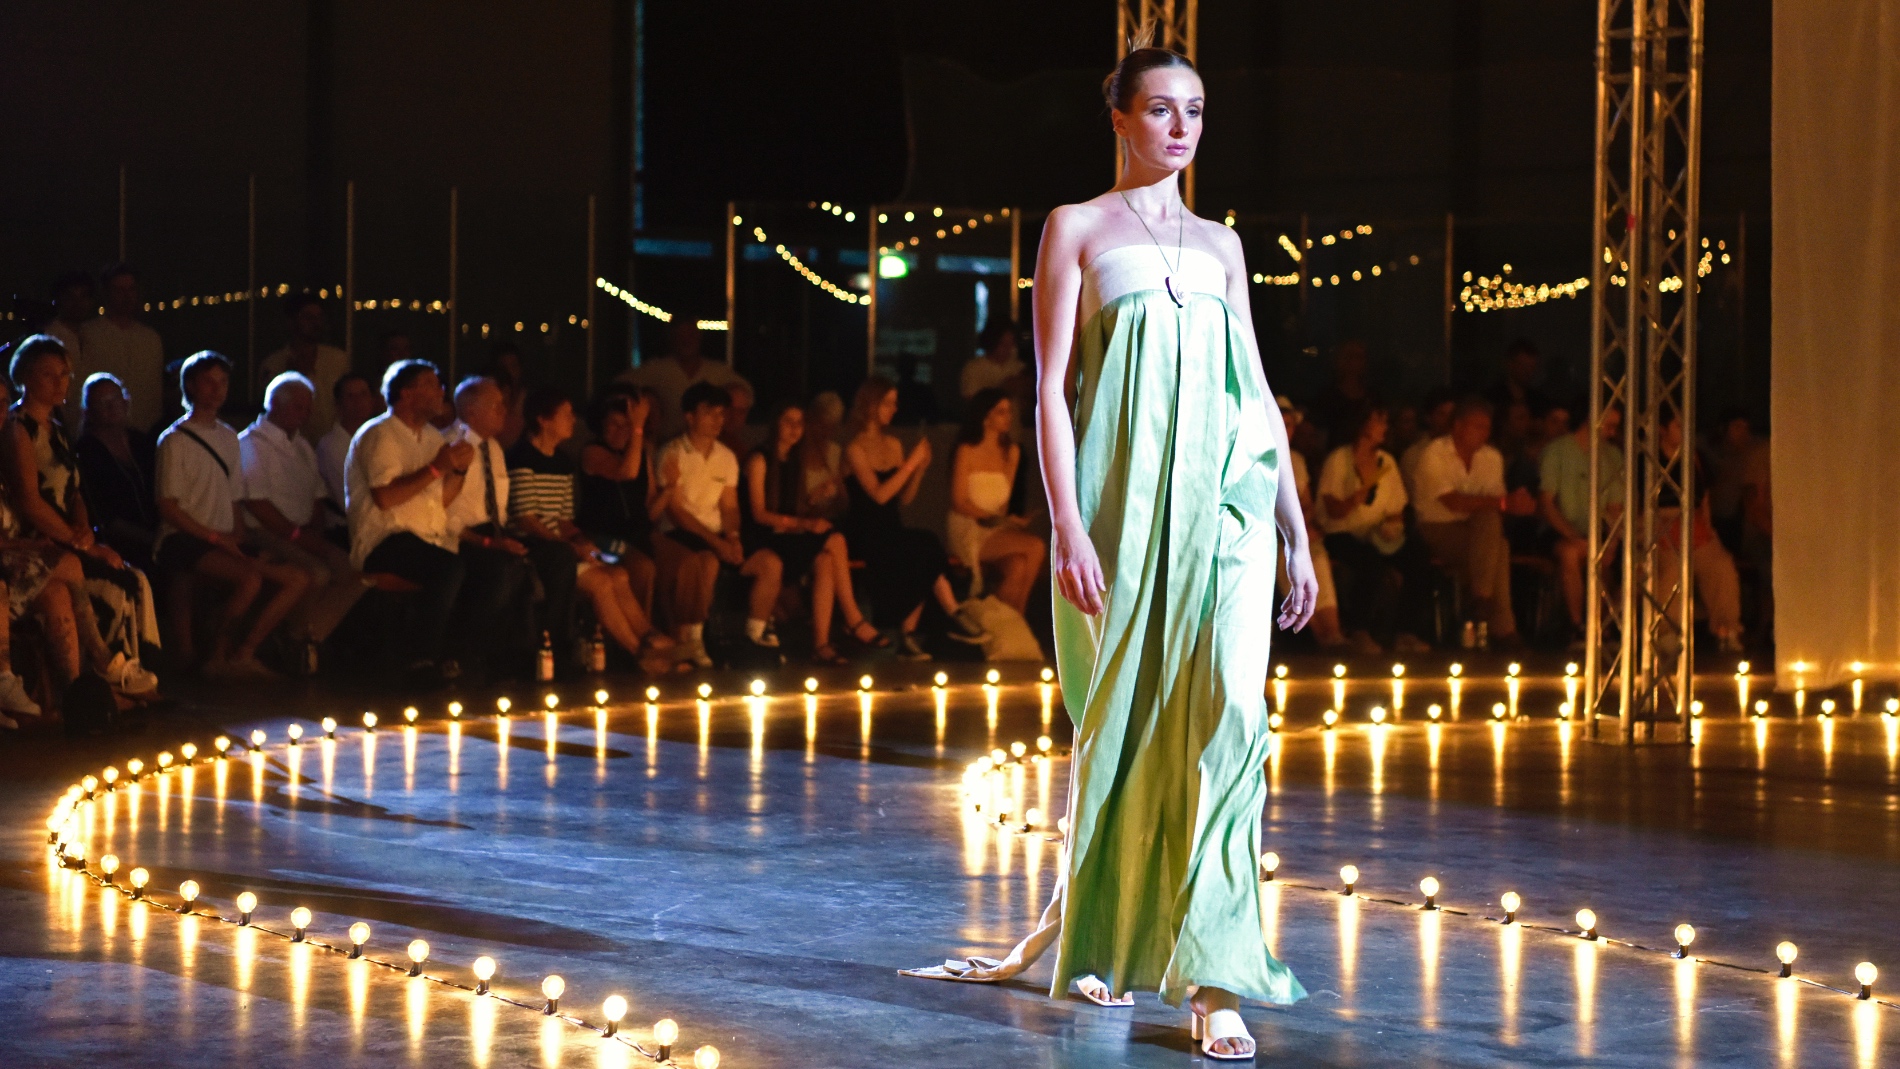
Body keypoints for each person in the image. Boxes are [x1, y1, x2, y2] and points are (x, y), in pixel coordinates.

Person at [902, 38, 1314, 1059]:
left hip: (1227, 509)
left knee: (1229, 718)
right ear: (1121, 117)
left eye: (1197, 111)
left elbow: (1255, 395)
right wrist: (1068, 525)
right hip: (1119, 510)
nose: (1181, 127)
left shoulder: (1222, 245)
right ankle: (1109, 934)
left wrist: (1295, 533)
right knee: (1122, 725)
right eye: (1162, 109)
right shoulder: (1075, 228)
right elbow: (1047, 389)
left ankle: (1216, 979)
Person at [3, 335, 160, 697]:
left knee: (129, 577)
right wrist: (80, 545)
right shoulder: (18, 430)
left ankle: (125, 674)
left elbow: (74, 490)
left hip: (67, 538)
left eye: (65, 375)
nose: (60, 383)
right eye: (49, 374)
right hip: (40, 539)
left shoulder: (57, 430)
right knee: (109, 584)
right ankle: (101, 676)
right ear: (25, 377)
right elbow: (29, 500)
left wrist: (84, 530)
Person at [155, 353, 309, 678]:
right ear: (192, 386)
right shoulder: (173, 441)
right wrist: (216, 538)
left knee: (297, 578)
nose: (217, 389)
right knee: (249, 579)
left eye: (223, 382)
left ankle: (244, 651)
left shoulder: (228, 437)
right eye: (209, 381)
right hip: (186, 538)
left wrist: (240, 538)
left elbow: (234, 495)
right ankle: (218, 653)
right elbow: (168, 505)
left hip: (223, 536)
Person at [508, 389, 673, 667]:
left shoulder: (560, 461)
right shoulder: (522, 458)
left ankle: (651, 637)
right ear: (544, 420)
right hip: (536, 547)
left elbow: (562, 518)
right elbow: (527, 519)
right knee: (601, 582)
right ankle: (638, 652)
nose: (574, 419)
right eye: (566, 414)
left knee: (618, 574)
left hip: (560, 542)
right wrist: (569, 546)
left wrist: (580, 540)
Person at [843, 377, 990, 660]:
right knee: (923, 546)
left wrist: (919, 470)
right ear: (870, 405)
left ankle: (916, 631)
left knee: (927, 547)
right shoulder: (855, 449)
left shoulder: (894, 444)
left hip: (891, 526)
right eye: (887, 402)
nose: (893, 409)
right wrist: (911, 464)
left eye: (895, 403)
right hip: (865, 531)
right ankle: (948, 613)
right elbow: (879, 495)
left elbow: (903, 499)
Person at [345, 359, 472, 682]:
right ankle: (421, 659)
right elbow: (385, 498)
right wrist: (435, 469)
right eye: (431, 384)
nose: (441, 390)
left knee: (486, 566)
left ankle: (461, 655)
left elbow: (440, 501)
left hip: (426, 538)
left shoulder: (432, 438)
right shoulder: (379, 434)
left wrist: (457, 469)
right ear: (406, 393)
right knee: (447, 569)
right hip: (384, 539)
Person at [743, 401, 886, 665]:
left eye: (800, 423)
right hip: (762, 538)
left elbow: (791, 507)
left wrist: (814, 502)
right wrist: (805, 525)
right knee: (834, 540)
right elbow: (759, 514)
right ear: (775, 423)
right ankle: (853, 619)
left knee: (826, 558)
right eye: (789, 422)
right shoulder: (760, 459)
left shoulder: (794, 461)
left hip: (785, 534)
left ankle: (821, 643)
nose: (795, 429)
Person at [653, 383, 781, 666]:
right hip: (681, 533)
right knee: (708, 561)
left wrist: (733, 537)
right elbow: (677, 514)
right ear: (689, 416)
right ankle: (696, 639)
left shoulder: (726, 457)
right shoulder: (671, 454)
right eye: (709, 413)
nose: (717, 421)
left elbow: (730, 506)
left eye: (721, 414)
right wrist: (717, 543)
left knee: (769, 563)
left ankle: (754, 637)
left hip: (717, 533)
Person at [239, 371, 366, 656]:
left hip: (302, 533)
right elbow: (257, 505)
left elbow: (317, 497)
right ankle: (292, 641)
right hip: (265, 533)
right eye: (299, 406)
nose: (306, 414)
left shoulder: (302, 445)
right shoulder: (251, 443)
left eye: (308, 407)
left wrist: (315, 536)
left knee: (355, 573)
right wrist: (300, 537)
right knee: (317, 573)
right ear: (274, 404)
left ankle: (306, 636)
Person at [1412, 397, 1537, 647]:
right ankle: (1502, 627)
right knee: (1497, 545)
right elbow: (1453, 502)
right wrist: (1504, 503)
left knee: (1493, 535)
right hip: (1437, 529)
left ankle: (1482, 600)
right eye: (1477, 426)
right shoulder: (1434, 455)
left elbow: (1496, 500)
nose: (1484, 433)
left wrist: (1514, 503)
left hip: (1478, 531)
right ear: (1458, 426)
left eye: (1487, 427)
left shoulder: (1491, 457)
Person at [441, 377, 538, 676]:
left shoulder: (493, 448)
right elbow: (442, 513)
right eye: (496, 406)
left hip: (495, 529)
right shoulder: (449, 446)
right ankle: (472, 656)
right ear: (471, 412)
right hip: (462, 536)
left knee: (551, 557)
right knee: (501, 567)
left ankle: (539, 653)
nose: (503, 412)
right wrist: (488, 543)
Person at [1317, 403, 1431, 654]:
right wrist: (1353, 500)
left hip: (1377, 533)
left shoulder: (1385, 461)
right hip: (1342, 533)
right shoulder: (1339, 459)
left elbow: (1397, 507)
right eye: (1380, 421)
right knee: (1370, 563)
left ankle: (1406, 632)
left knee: (1419, 558)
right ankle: (1359, 630)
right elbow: (1332, 509)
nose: (1385, 427)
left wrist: (1391, 524)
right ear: (1364, 425)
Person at [947, 388, 1045, 613]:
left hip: (994, 528)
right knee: (1036, 547)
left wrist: (1009, 521)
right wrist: (996, 519)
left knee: (1018, 566)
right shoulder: (967, 450)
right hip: (968, 526)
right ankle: (1017, 617)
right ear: (985, 415)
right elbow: (958, 502)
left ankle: (996, 627)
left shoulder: (1011, 452)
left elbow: (1002, 505)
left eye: (1009, 411)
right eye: (1001, 411)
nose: (1008, 417)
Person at [1654, 411, 1744, 652]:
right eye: (1678, 425)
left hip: (1694, 526)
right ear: (1663, 429)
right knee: (1672, 568)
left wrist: (1707, 527)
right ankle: (1667, 631)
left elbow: (1703, 497)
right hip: (1661, 526)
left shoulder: (1694, 457)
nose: (1684, 431)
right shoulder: (1649, 459)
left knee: (1721, 566)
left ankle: (1727, 627)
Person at [1539, 398, 1624, 644]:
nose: (1611, 431)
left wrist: (1613, 541)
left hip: (1598, 531)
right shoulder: (1557, 451)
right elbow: (1547, 503)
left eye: (1615, 426)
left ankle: (1604, 623)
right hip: (1559, 529)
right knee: (1570, 552)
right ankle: (1579, 624)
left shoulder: (1613, 456)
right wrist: (1572, 535)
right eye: (1608, 424)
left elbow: (1615, 507)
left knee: (1617, 559)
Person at [578, 387, 662, 610]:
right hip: (604, 534)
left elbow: (650, 504)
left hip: (639, 532)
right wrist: (637, 429)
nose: (621, 431)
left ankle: (681, 634)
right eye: (614, 424)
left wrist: (672, 492)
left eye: (627, 425)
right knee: (644, 567)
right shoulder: (593, 451)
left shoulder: (640, 453)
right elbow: (627, 473)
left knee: (686, 562)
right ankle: (642, 635)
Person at [615, 318, 751, 442]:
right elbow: (619, 386)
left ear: (699, 337)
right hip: (665, 443)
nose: (686, 341)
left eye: (690, 335)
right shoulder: (657, 370)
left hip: (709, 444)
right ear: (671, 339)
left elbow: (745, 393)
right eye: (680, 336)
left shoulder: (718, 371)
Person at [75, 373, 158, 569]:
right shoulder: (86, 451)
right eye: (103, 402)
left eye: (116, 398)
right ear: (89, 411)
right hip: (117, 540)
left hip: (156, 531)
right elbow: (103, 512)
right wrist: (149, 538)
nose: (112, 406)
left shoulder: (141, 442)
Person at [76, 265, 165, 433]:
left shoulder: (151, 338)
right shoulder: (88, 334)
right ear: (107, 293)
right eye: (119, 290)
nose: (126, 296)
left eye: (131, 289)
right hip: (101, 433)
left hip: (145, 432)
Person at [260, 293, 351, 443]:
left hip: (332, 443)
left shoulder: (337, 360)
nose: (316, 323)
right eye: (308, 317)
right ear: (291, 321)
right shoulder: (273, 364)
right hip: (290, 444)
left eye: (319, 317)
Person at [317, 372, 380, 531]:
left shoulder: (379, 438)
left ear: (372, 400)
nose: (358, 402)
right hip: (345, 528)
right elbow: (350, 498)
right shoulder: (330, 446)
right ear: (338, 405)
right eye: (350, 396)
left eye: (363, 394)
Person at [959, 318, 1032, 421]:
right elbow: (973, 406)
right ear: (992, 342)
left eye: (1011, 344)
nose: (1008, 349)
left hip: (1014, 433)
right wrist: (1003, 389)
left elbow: (1027, 408)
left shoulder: (1019, 368)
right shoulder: (974, 368)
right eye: (1003, 344)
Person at [46, 271, 94, 421]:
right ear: (59, 299)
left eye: (83, 296)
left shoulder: (94, 334)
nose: (77, 303)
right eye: (70, 297)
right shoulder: (50, 339)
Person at [798, 390, 849, 523]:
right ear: (810, 419)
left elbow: (844, 501)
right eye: (822, 426)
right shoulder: (795, 452)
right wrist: (814, 498)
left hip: (830, 523)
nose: (826, 433)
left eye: (831, 428)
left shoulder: (836, 452)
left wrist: (835, 500)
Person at [1486, 338, 1554, 422]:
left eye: (1532, 367)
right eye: (1523, 366)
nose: (1528, 372)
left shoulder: (1539, 400)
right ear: (1510, 364)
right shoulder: (1493, 398)